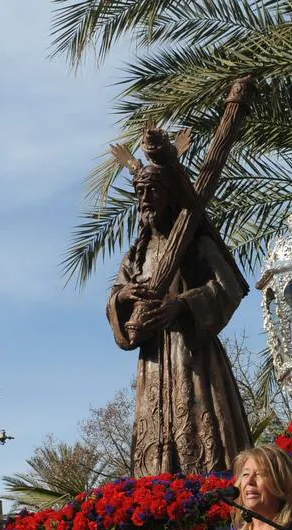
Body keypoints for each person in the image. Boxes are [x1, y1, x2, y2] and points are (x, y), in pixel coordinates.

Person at [107, 158, 251, 476]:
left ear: (170, 195)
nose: (145, 200)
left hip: (192, 354)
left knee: (202, 439)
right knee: (154, 444)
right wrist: (123, 296)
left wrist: (184, 304)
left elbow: (229, 287)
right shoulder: (136, 255)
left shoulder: (194, 242)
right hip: (154, 360)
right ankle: (159, 501)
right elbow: (115, 304)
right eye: (140, 192)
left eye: (153, 191)